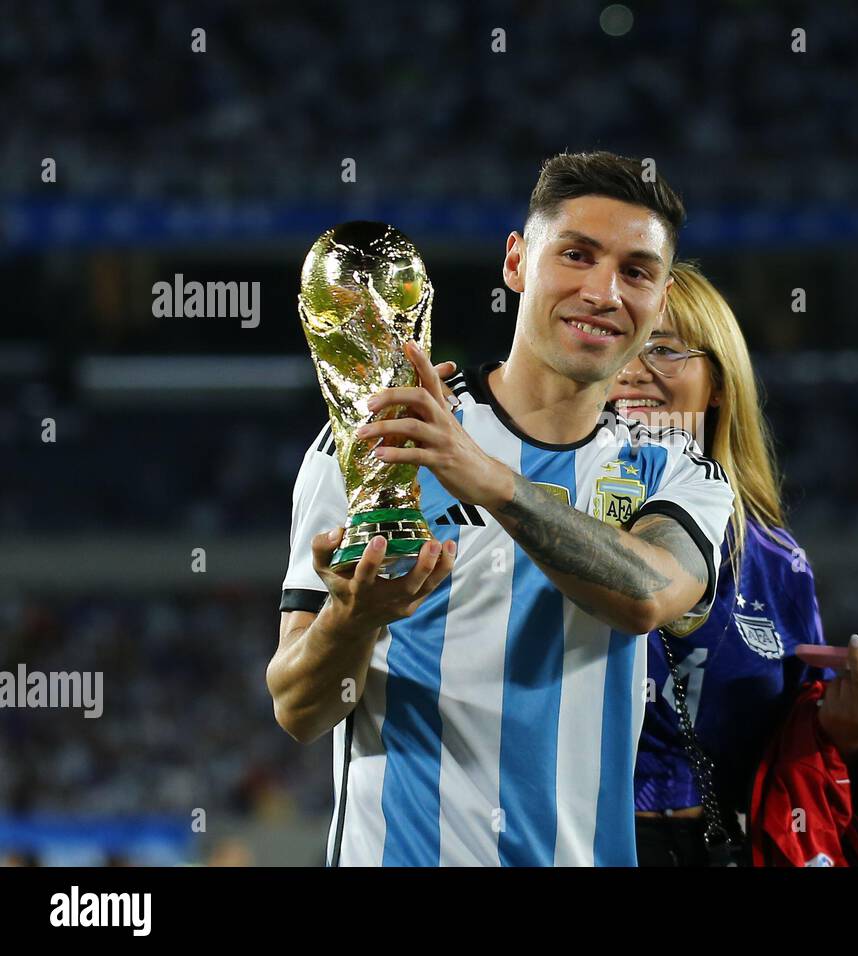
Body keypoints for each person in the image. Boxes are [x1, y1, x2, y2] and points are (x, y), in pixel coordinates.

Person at [267, 152, 734, 866]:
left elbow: (650, 594)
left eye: (636, 271)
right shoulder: (377, 441)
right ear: (517, 263)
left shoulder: (674, 465)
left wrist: (486, 477)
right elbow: (299, 708)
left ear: (660, 301)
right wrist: (354, 617)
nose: (604, 291)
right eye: (576, 255)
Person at [614, 262, 858, 866]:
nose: (633, 371)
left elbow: (797, 756)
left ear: (719, 384)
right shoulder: (550, 522)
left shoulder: (775, 561)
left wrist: (847, 728)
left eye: (663, 348)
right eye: (620, 345)